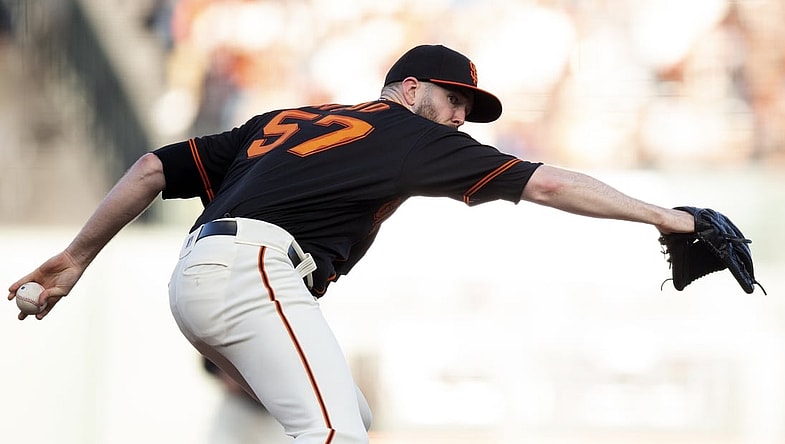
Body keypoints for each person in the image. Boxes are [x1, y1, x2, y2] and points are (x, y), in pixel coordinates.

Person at [8, 44, 694, 443]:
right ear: (409, 87)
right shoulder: (411, 133)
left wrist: (76, 258)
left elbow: (155, 168)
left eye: (469, 110)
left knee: (350, 416)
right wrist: (670, 218)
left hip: (202, 274)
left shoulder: (289, 117)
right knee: (337, 434)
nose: (459, 117)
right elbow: (547, 185)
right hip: (252, 269)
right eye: (453, 100)